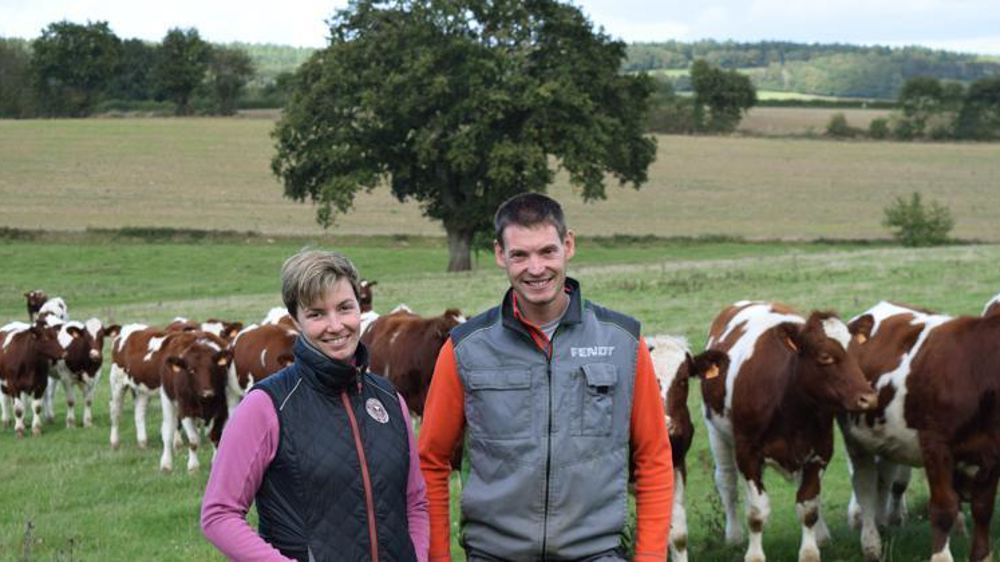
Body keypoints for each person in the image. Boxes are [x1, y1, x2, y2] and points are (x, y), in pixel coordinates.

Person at [418, 193, 673, 561]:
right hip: (496, 554)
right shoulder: (464, 349)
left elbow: (654, 457)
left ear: (568, 245)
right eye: (520, 255)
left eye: (547, 251)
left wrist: (649, 557)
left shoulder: (623, 343)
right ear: (500, 254)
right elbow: (432, 461)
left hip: (595, 553)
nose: (535, 268)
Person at [201, 249, 429, 562]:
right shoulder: (267, 405)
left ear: (359, 309)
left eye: (345, 308)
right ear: (295, 319)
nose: (336, 326)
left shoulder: (389, 399)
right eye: (317, 314)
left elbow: (414, 501)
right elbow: (219, 514)